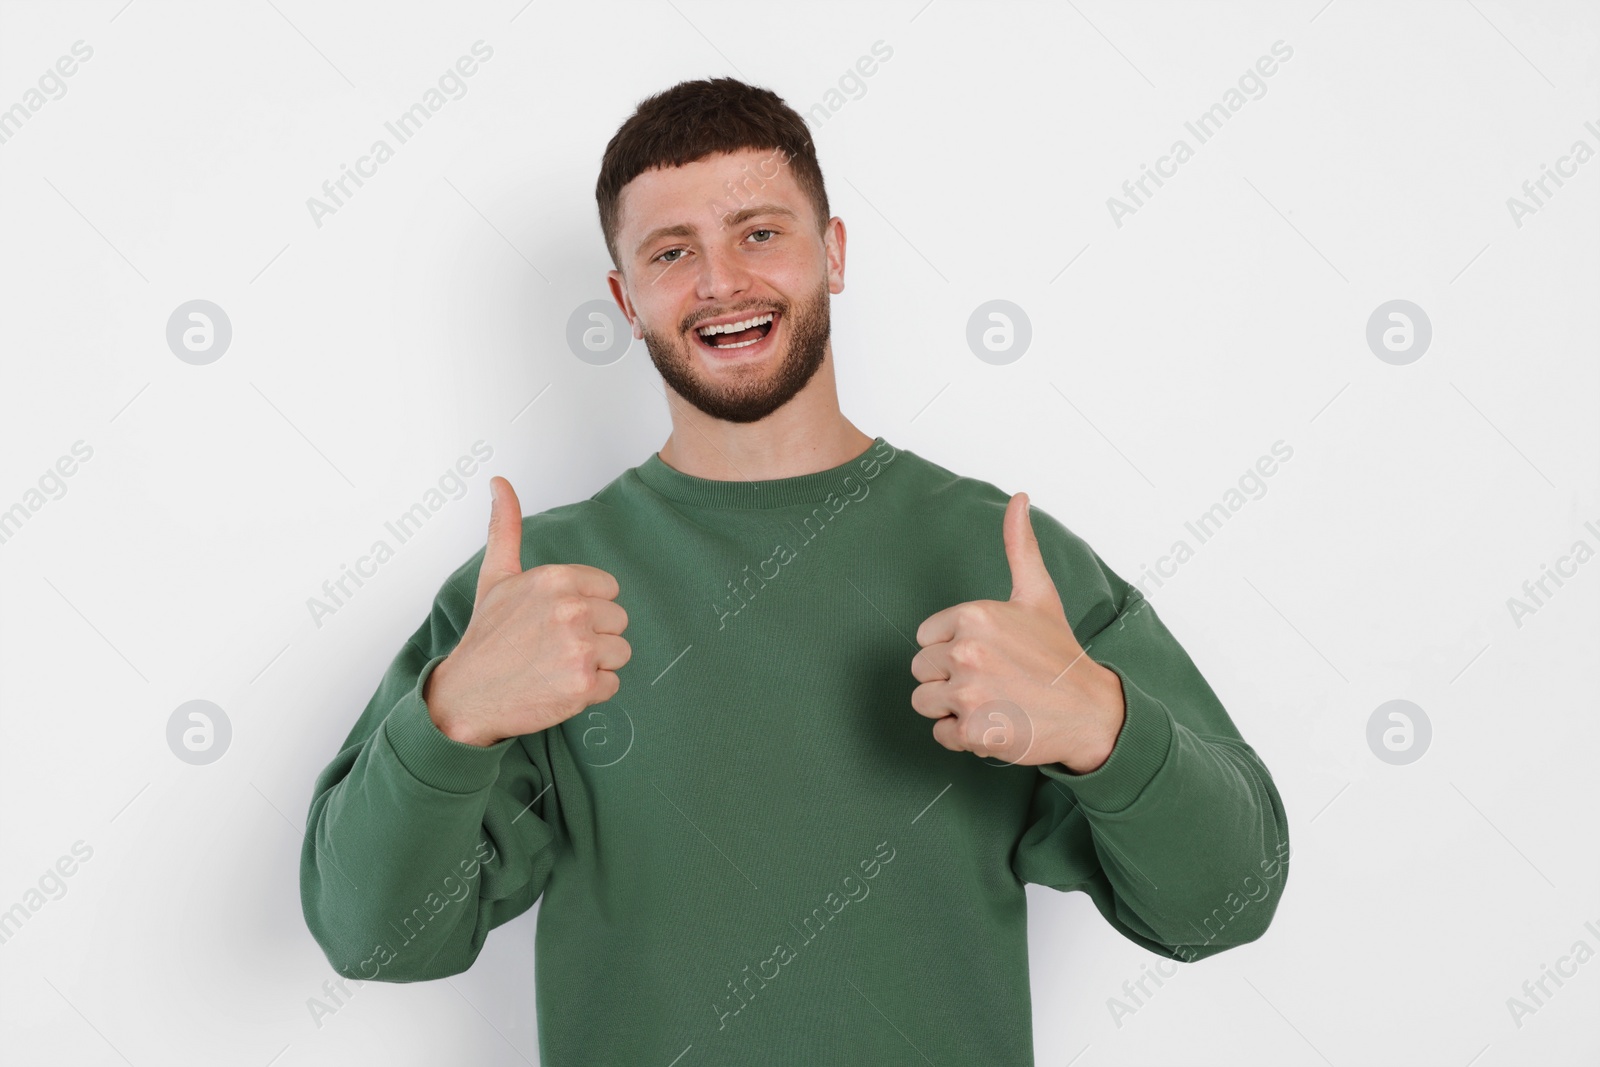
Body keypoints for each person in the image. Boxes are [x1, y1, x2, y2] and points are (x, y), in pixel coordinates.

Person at [300, 76, 1290, 1065]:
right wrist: (451, 715)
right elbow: (375, 936)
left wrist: (1103, 727)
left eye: (759, 232)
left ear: (834, 253)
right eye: (671, 251)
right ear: (625, 300)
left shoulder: (1003, 561)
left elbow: (1223, 905)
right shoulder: (537, 593)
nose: (720, 280)